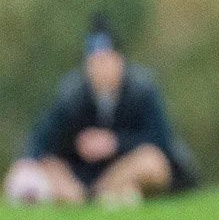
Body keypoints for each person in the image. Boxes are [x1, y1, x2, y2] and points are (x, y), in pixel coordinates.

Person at [4, 15, 197, 207]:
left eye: (106, 61)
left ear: (119, 60)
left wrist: (115, 143)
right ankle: (93, 199)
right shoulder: (71, 95)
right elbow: (40, 142)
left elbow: (161, 140)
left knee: (152, 162)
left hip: (123, 172)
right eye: (94, 62)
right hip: (79, 178)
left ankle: (112, 194)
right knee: (36, 169)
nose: (100, 68)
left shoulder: (143, 90)